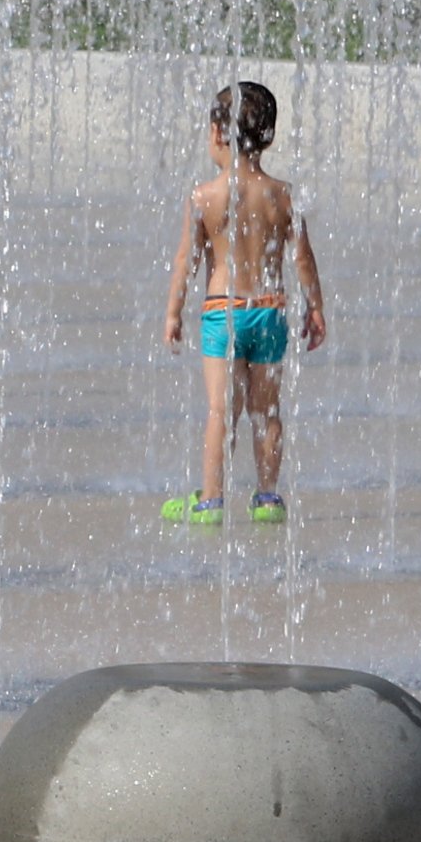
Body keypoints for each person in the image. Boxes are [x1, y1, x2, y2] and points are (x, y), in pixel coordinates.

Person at [160, 80, 326, 525]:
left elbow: (187, 261)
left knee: (221, 410)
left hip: (222, 312)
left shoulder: (204, 198)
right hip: (270, 310)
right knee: (266, 410)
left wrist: (174, 312)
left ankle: (211, 500)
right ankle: (268, 497)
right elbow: (303, 257)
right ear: (268, 136)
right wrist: (315, 308)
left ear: (217, 134)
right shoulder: (284, 195)